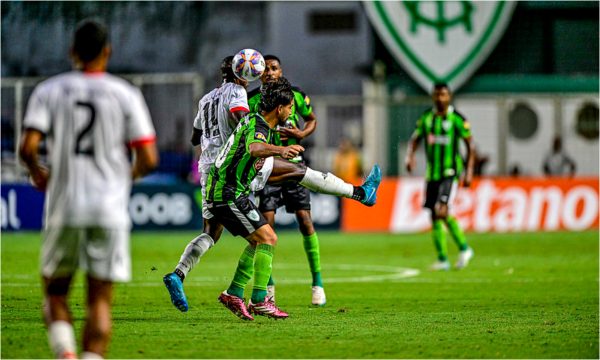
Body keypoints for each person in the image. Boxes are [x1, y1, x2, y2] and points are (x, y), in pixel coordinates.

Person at [163, 60, 382, 314]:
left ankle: (192, 277)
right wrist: (275, 146)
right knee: (294, 186)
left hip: (212, 170)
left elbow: (194, 137)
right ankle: (358, 193)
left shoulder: (206, 100)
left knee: (217, 234)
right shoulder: (240, 96)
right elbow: (253, 143)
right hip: (232, 178)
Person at [18, 19, 158, 359]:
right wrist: (125, 179)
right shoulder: (125, 93)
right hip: (108, 208)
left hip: (64, 206)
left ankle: (65, 353)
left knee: (55, 293)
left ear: (72, 52)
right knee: (99, 298)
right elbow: (149, 158)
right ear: (107, 52)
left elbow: (27, 146)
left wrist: (38, 171)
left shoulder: (49, 90)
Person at [247, 54, 325, 306]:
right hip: (268, 171)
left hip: (293, 170)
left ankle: (318, 283)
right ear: (259, 74)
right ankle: (268, 287)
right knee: (266, 228)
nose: (269, 72)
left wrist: (301, 133)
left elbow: (312, 120)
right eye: (265, 69)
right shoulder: (253, 99)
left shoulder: (297, 95)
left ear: (281, 71)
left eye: (274, 68)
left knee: (305, 221)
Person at [404, 83, 474, 271]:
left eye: (443, 94)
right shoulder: (427, 118)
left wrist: (469, 171)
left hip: (450, 173)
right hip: (432, 174)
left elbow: (470, 146)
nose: (440, 98)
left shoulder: (457, 119)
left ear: (449, 96)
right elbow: (415, 139)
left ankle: (465, 248)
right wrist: (409, 157)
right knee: (435, 216)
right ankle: (443, 259)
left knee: (441, 210)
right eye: (437, 95)